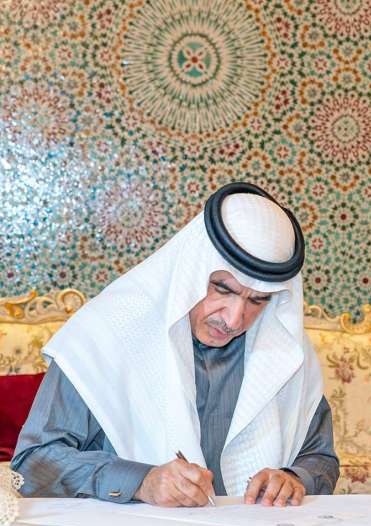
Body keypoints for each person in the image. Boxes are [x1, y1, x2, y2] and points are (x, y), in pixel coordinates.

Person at [13, 182, 339, 507]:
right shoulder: (105, 335)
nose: (234, 319)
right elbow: (33, 464)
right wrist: (141, 482)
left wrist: (294, 478)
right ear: (191, 271)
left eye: (258, 300)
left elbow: (320, 458)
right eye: (222, 289)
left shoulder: (285, 352)